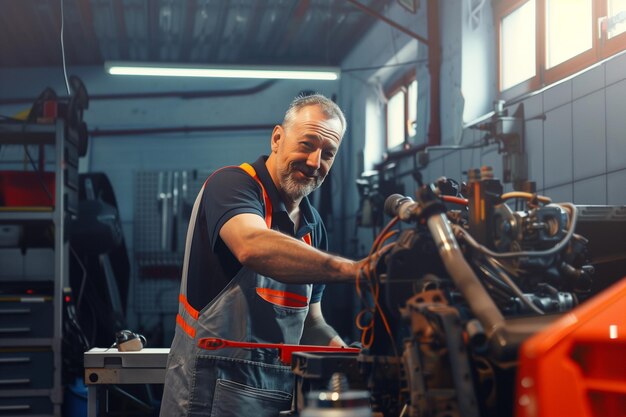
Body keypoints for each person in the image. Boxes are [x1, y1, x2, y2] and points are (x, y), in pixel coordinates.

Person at [160, 94, 362, 417]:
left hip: (275, 399)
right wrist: (355, 270)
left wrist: (347, 356)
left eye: (328, 153)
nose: (314, 162)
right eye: (307, 144)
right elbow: (251, 244)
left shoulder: (314, 227)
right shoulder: (232, 186)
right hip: (205, 397)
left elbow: (311, 322)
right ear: (277, 138)